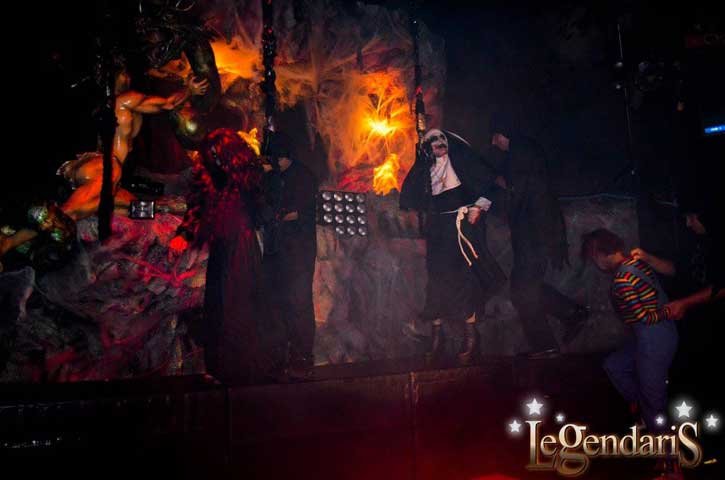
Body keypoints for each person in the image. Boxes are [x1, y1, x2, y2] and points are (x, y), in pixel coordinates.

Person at [0, 58, 209, 257]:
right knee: (70, 215)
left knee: (133, 207)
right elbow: (169, 103)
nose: (128, 77)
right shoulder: (125, 101)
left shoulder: (114, 102)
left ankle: (15, 238)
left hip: (100, 170)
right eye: (124, 74)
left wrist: (167, 207)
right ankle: (10, 242)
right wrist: (189, 90)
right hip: (102, 167)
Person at [169, 128, 273, 385]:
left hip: (242, 244)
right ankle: (220, 368)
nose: (215, 158)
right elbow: (196, 206)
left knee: (239, 307)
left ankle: (243, 369)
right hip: (223, 246)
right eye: (211, 154)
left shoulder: (247, 174)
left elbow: (262, 208)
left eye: (218, 153)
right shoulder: (209, 176)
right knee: (218, 306)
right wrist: (184, 234)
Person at [581, 228, 681, 478]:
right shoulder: (636, 262)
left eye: (593, 258)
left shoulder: (623, 279)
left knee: (654, 404)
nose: (595, 264)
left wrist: (668, 311)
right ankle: (641, 406)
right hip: (655, 334)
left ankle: (672, 468)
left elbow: (643, 317)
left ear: (599, 254)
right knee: (614, 365)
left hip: (653, 337)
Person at [400, 128, 506, 364]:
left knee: (464, 280)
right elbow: (414, 196)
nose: (438, 143)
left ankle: (471, 338)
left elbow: (489, 186)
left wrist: (478, 207)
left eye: (441, 139)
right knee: (436, 279)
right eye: (433, 141)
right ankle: (437, 339)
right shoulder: (428, 170)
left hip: (460, 229)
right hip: (438, 230)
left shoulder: (462, 163)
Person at [489, 111, 588, 359]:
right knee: (524, 287)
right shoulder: (525, 152)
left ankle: (546, 345)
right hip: (536, 234)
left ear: (502, 134)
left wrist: (496, 193)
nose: (493, 143)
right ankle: (571, 313)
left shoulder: (520, 153)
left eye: (494, 137)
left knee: (523, 290)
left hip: (534, 235)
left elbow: (519, 194)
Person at [260, 132, 318, 380]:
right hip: (276, 248)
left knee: (299, 302)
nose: (275, 163)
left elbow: (300, 212)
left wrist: (277, 215)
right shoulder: (272, 176)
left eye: (277, 159)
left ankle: (302, 357)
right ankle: (278, 355)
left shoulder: (303, 176)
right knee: (276, 302)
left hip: (298, 250)